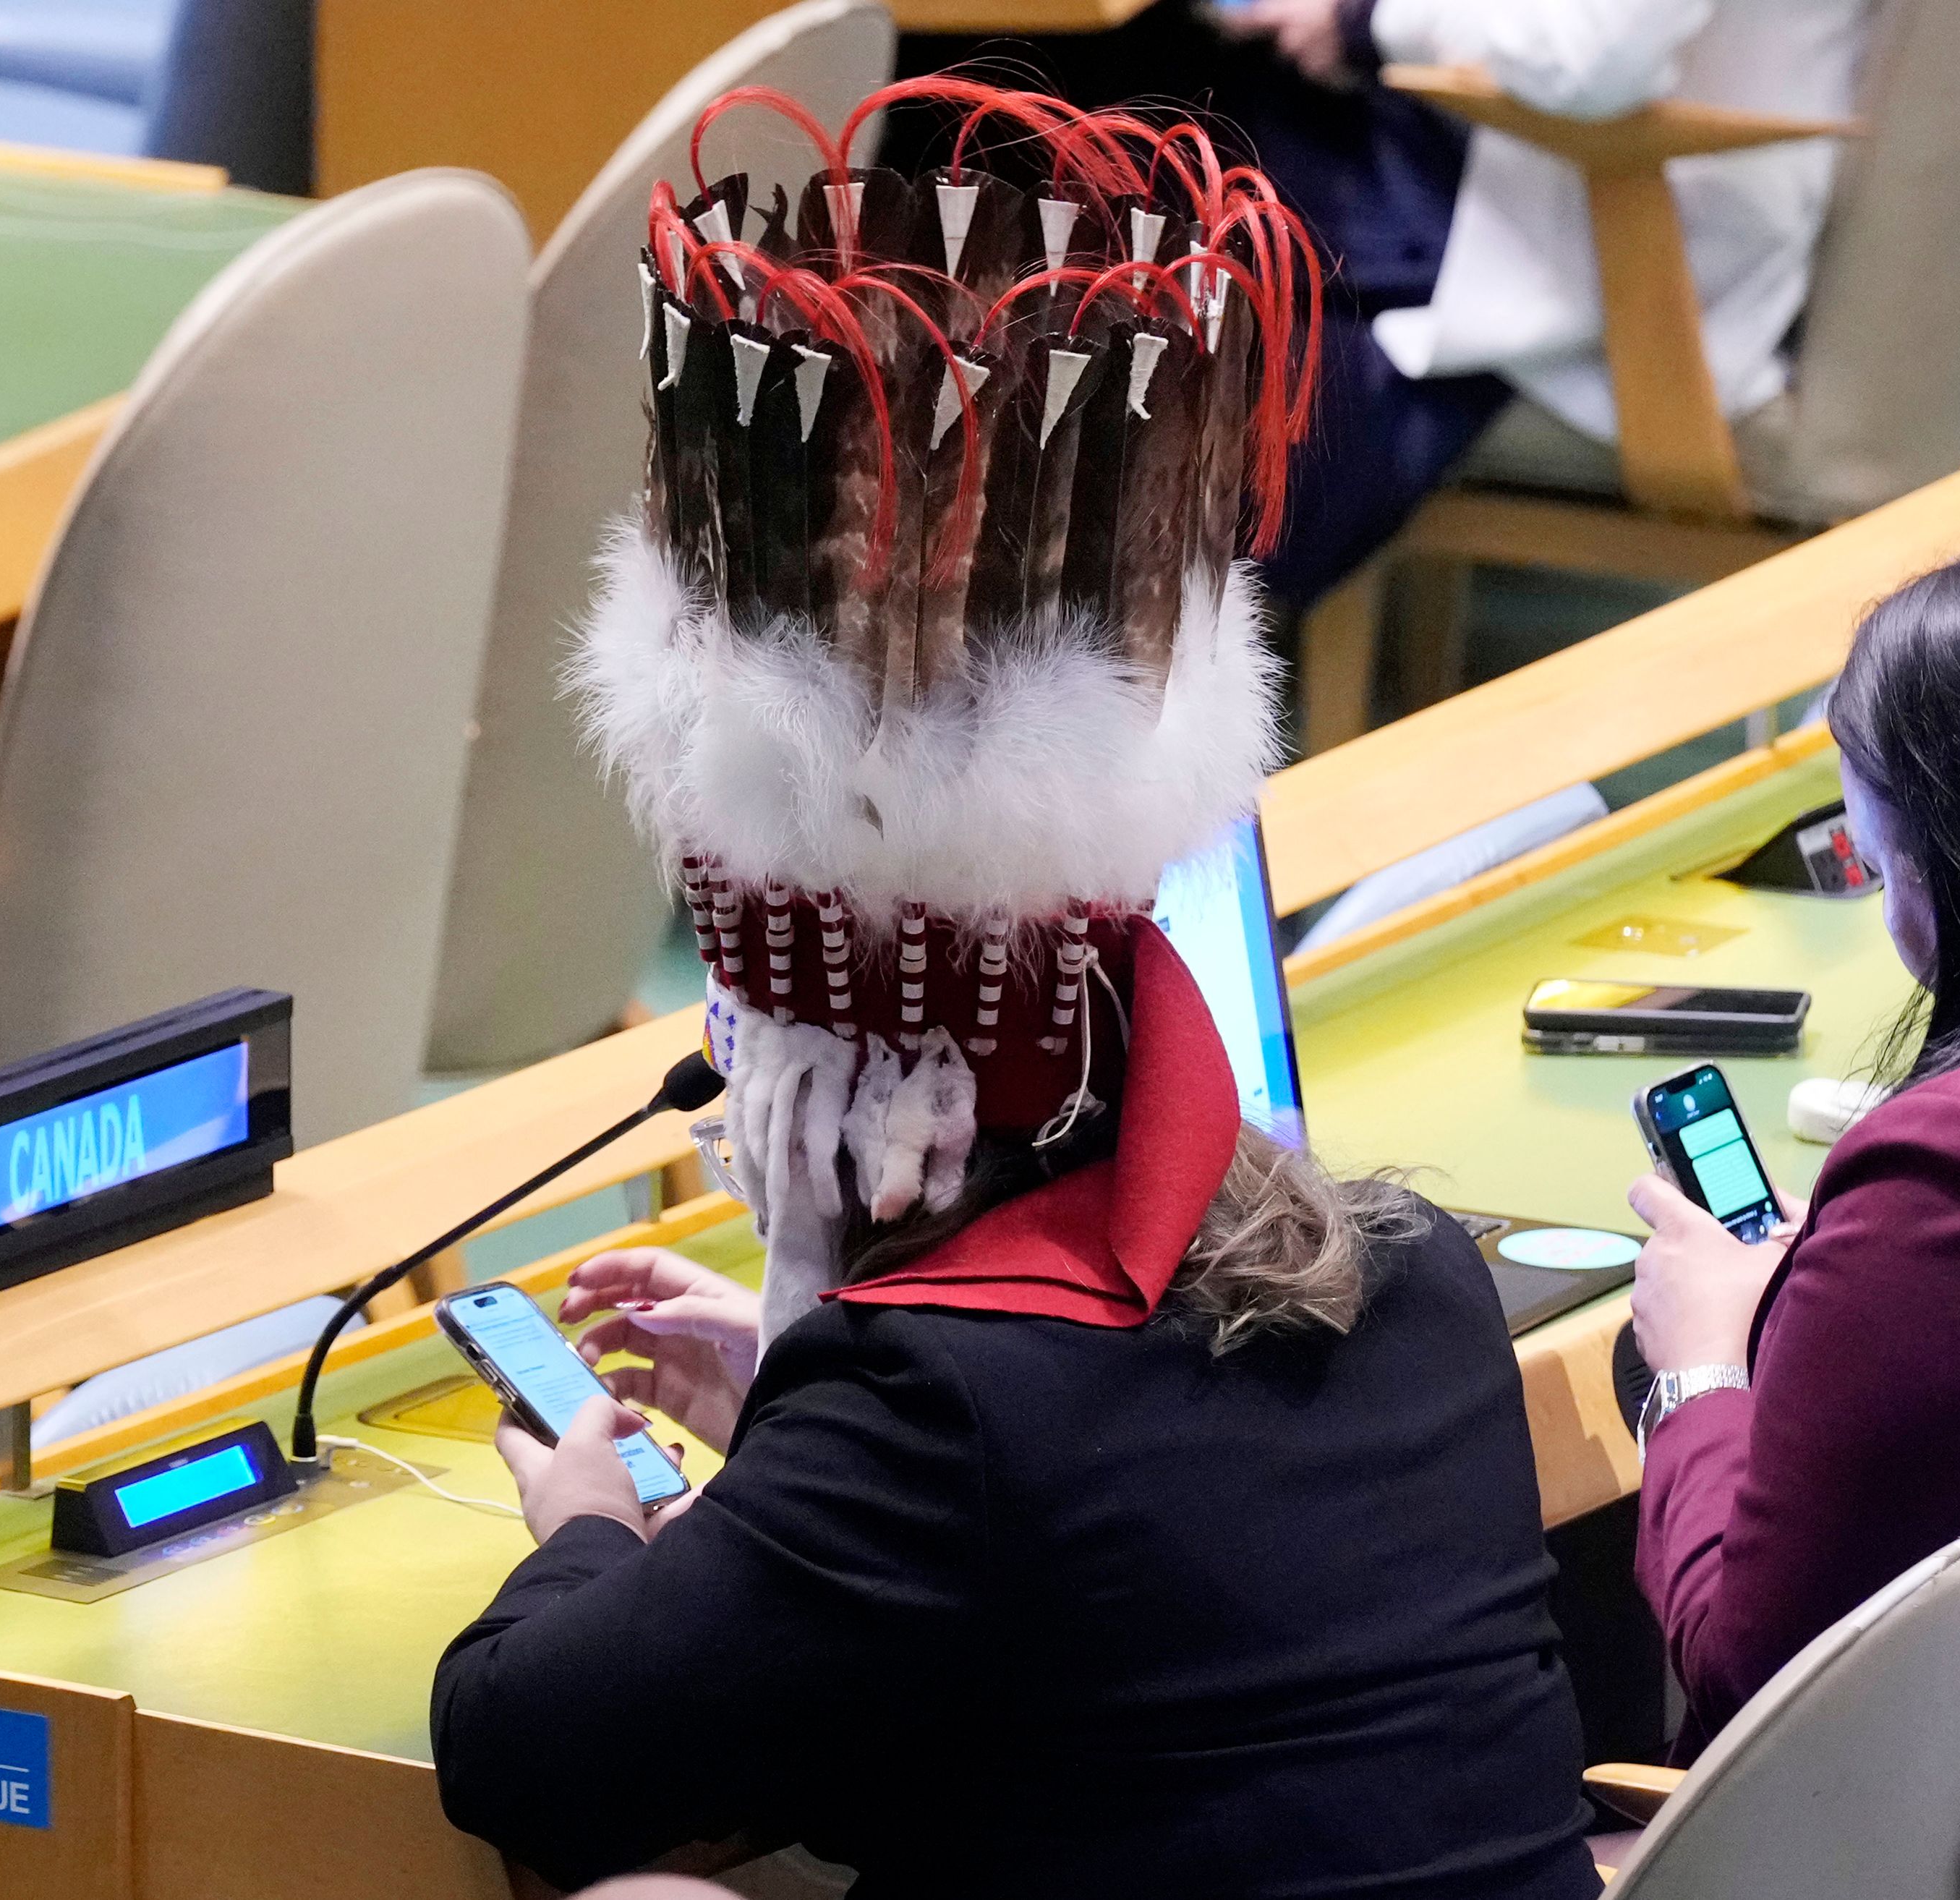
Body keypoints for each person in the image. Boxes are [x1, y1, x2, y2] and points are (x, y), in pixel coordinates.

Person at [430, 82, 1595, 1899]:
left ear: (864, 1116)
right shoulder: (1421, 1281)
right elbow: (1098, 1580)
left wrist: (587, 1525)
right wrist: (791, 1426)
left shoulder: (939, 1420)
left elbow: (522, 1748)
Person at [890, 0, 1869, 612]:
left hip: (1586, 193)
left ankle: (930, 612)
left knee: (1005, 106)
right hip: (1499, 151)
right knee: (1033, 114)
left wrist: (1366, 20)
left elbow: (1588, 54)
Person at [1629, 541, 1960, 1754]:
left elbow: (1755, 1669)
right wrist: (1848, 1298)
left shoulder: (1954, 1169)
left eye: (1870, 854)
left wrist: (1698, 1367)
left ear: (1941, 857)